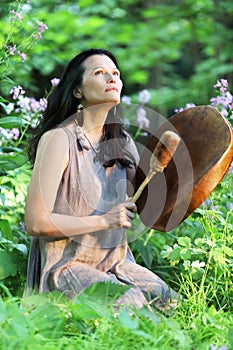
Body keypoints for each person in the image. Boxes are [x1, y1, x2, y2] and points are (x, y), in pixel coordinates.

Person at [25, 48, 179, 311]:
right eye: (100, 73)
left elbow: (148, 204)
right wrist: (104, 220)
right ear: (77, 91)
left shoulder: (123, 144)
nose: (112, 78)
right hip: (67, 266)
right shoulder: (59, 140)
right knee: (130, 302)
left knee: (166, 297)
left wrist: (175, 171)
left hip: (117, 262)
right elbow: (36, 222)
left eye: (116, 74)